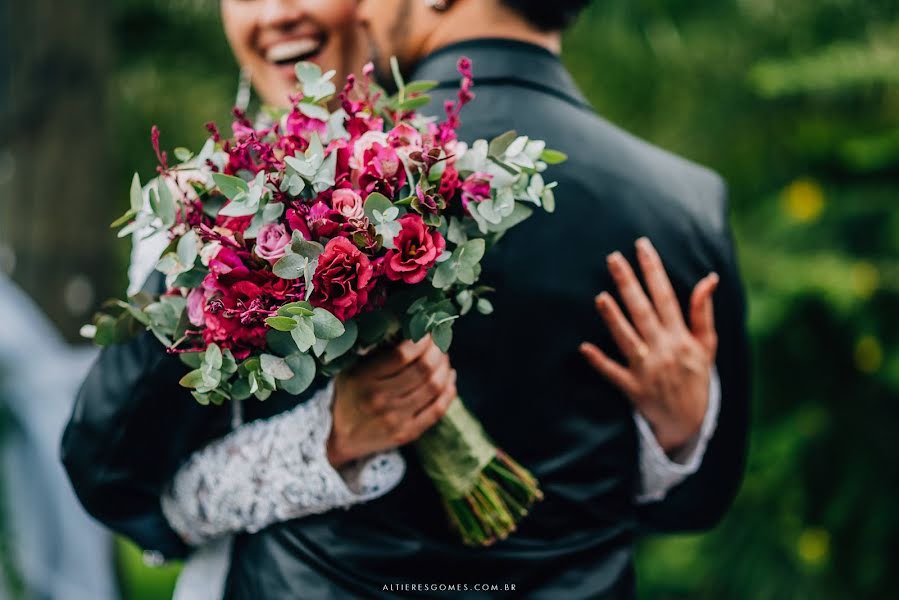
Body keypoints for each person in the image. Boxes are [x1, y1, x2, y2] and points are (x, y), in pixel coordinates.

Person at [61, 0, 750, 598]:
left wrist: (680, 435)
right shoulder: (685, 204)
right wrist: (685, 437)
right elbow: (692, 504)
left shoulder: (282, 198)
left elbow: (113, 467)